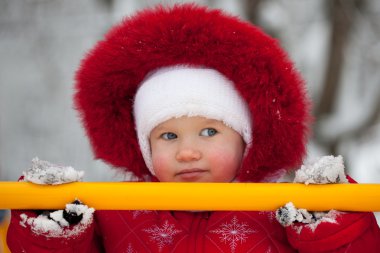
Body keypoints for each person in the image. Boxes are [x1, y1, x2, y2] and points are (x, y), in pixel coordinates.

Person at [7, 3, 380, 253]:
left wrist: (333, 224)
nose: (187, 152)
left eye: (209, 132)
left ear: (245, 141)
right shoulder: (116, 211)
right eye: (168, 136)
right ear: (145, 148)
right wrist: (53, 228)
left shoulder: (281, 212)